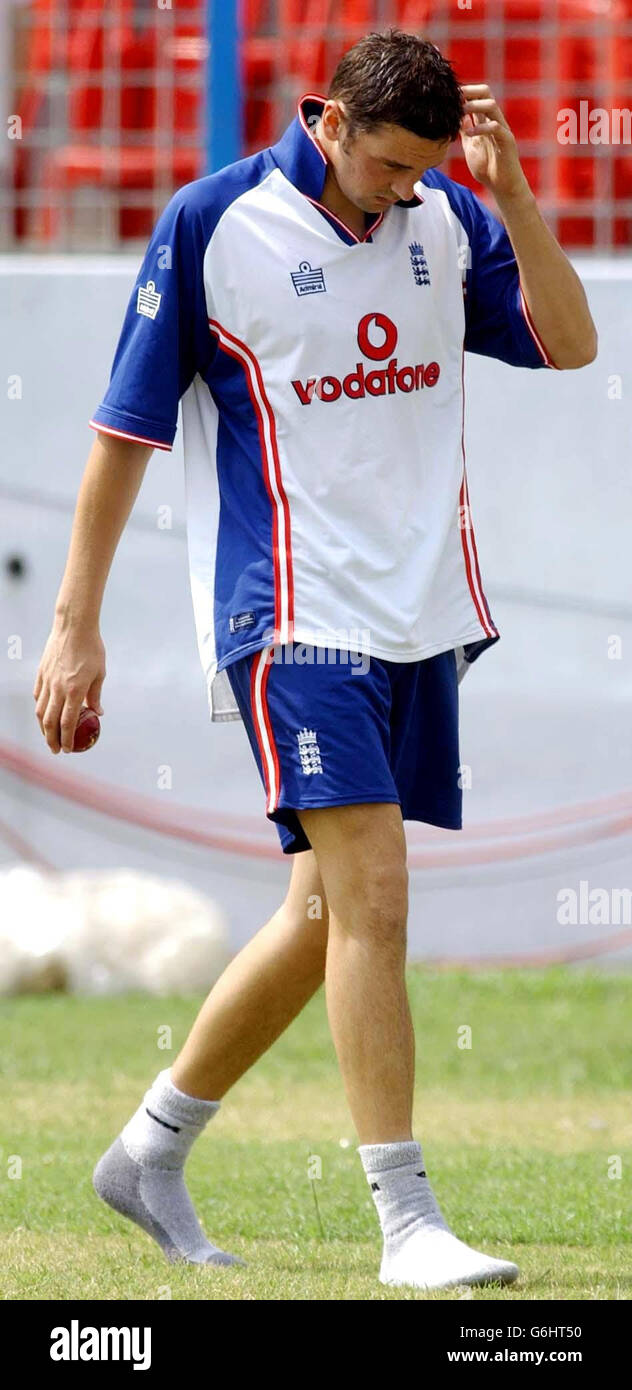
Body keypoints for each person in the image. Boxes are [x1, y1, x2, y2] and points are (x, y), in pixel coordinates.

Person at [33, 29, 597, 1291]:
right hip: (286, 618)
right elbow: (122, 432)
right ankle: (406, 1224)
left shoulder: (447, 215)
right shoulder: (212, 223)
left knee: (322, 912)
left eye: (423, 172)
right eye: (390, 165)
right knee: (377, 897)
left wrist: (508, 193)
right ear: (327, 117)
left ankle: (146, 1148)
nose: (404, 192)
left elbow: (570, 346)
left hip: (418, 616)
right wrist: (74, 623)